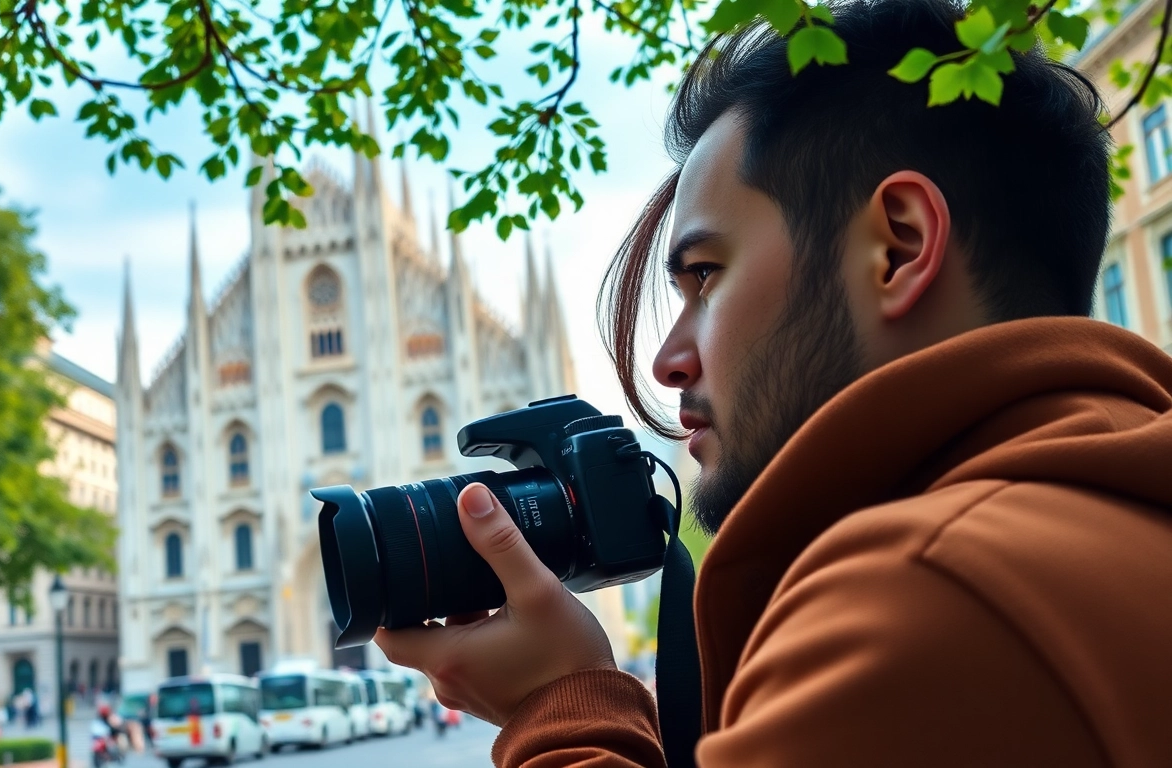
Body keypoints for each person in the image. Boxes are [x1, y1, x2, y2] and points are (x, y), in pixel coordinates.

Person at [374, 0, 1172, 764]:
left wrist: (561, 708)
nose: (668, 360)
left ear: (896, 248)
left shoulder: (924, 594)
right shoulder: (1107, 513)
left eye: (705, 276)